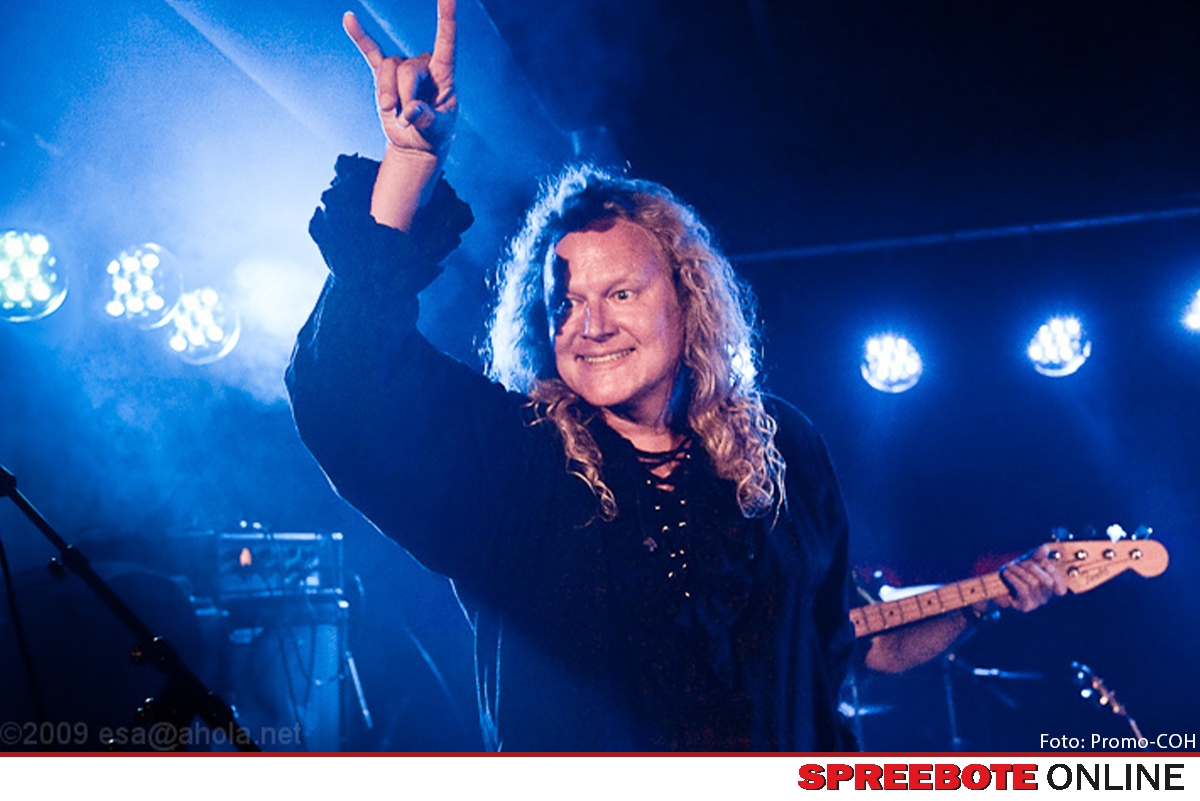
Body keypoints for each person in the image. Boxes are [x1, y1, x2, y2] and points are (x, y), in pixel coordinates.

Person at [287, 0, 854, 751]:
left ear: (687, 301)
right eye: (567, 302)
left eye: (621, 294)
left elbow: (827, 658)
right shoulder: (515, 459)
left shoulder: (782, 444)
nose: (592, 325)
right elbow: (343, 389)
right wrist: (412, 164)